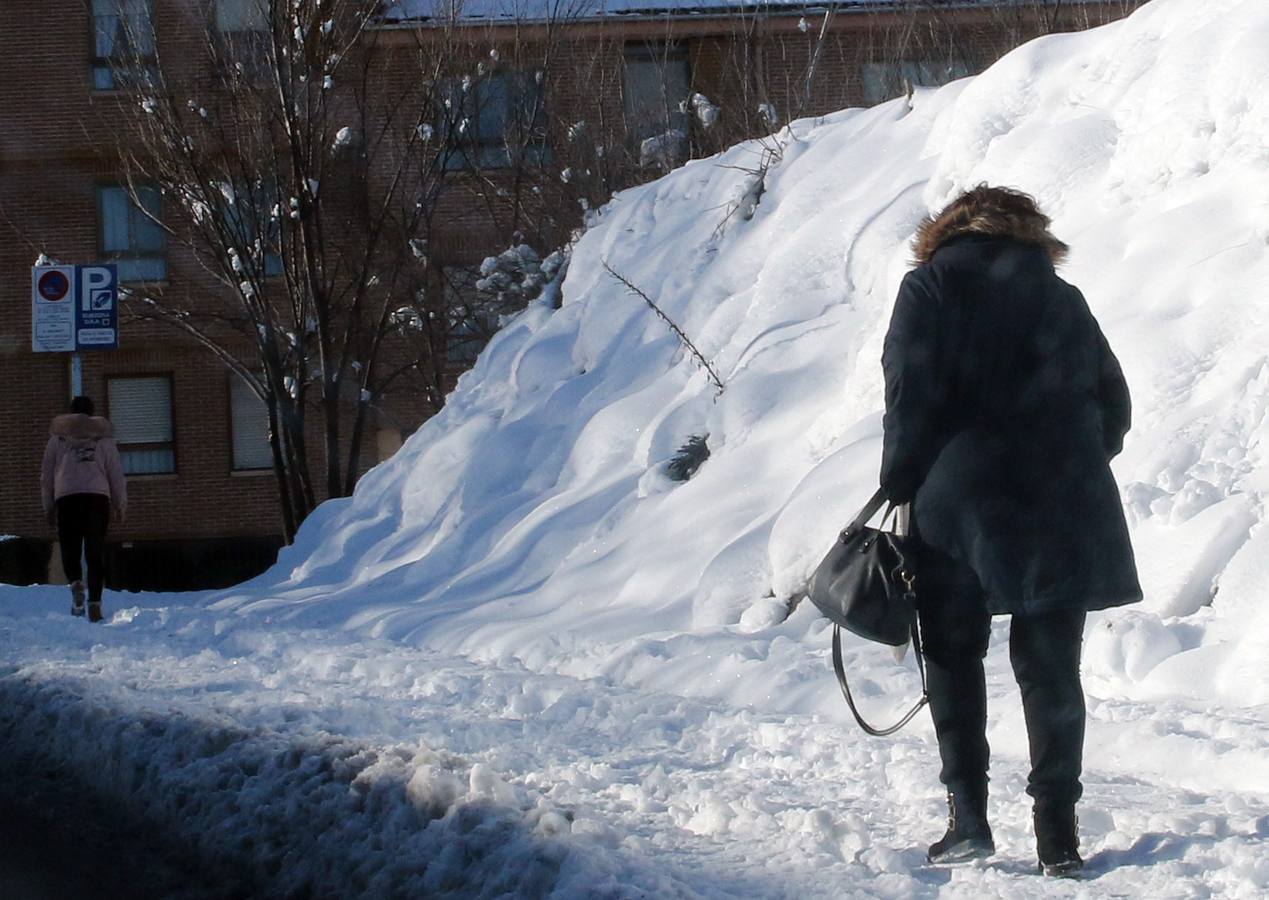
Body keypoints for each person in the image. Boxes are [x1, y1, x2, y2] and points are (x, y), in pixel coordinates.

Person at [880, 185, 1141, 877]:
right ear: (1030, 233)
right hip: (1063, 494)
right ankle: (1057, 833)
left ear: (947, 230)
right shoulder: (1060, 296)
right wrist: (1080, 454)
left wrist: (900, 479)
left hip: (957, 496)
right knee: (1050, 666)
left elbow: (908, 392)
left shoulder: (928, 287)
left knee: (952, 654)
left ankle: (967, 822)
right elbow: (1112, 399)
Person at [41, 395, 127, 623]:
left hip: (67, 498)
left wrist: (48, 506)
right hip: (97, 499)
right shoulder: (105, 440)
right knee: (95, 551)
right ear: (92, 413)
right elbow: (115, 473)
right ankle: (95, 604)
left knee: (70, 547)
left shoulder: (57, 440)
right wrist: (120, 504)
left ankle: (76, 583)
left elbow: (47, 475)